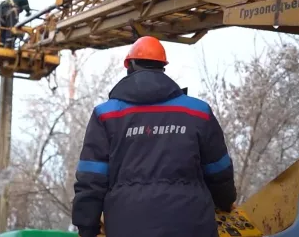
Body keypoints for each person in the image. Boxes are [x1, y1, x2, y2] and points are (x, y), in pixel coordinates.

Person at [71, 36, 237, 237]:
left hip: (128, 227)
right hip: (191, 225)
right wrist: (225, 201)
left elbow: (91, 178)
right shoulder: (198, 112)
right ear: (163, 67)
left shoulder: (106, 115)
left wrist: (87, 228)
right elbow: (218, 170)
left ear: (129, 65)